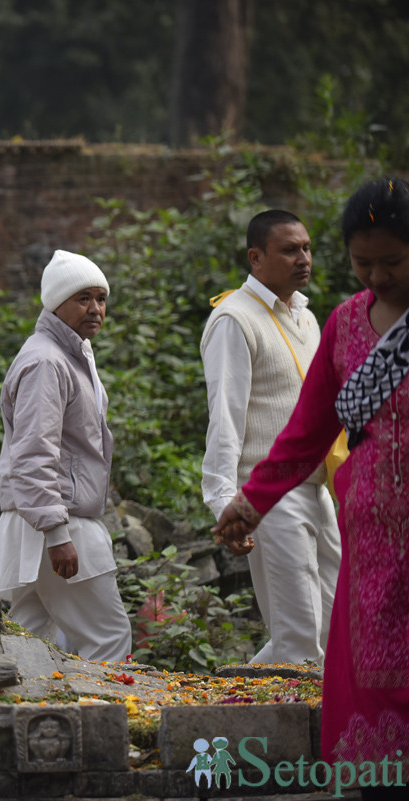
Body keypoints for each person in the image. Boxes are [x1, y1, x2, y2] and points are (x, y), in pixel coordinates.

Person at [215, 177, 409, 792]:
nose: (376, 276)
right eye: (363, 262)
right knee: (368, 661)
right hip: (373, 537)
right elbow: (306, 431)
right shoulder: (347, 323)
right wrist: (249, 502)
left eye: (393, 262)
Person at [200, 209, 341, 665]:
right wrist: (226, 503)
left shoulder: (306, 317)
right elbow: (225, 417)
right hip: (271, 495)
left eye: (306, 248)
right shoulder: (234, 319)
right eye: (289, 250)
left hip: (318, 488)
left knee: (336, 622)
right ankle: (282, 731)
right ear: (255, 258)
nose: (303, 258)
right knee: (298, 638)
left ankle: (229, 702)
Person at [0, 249, 132, 663]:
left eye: (101, 298)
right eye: (83, 298)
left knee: (28, 648)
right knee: (108, 639)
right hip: (58, 522)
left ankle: (25, 722)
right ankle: (105, 723)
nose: (95, 308)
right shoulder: (47, 361)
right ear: (56, 302)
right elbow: (34, 453)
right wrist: (57, 534)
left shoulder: (66, 355)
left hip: (34, 521)